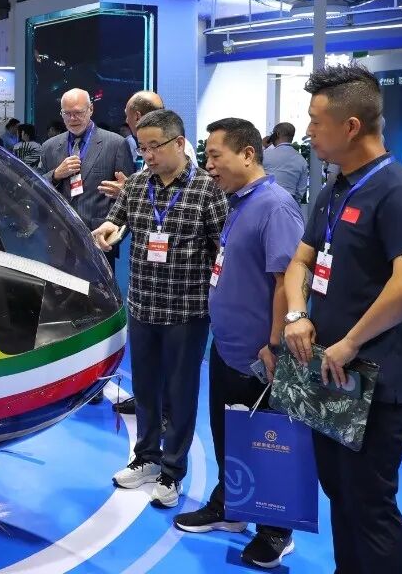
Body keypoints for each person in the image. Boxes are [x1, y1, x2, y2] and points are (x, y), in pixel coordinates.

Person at [283, 64, 402, 574]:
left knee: (369, 504)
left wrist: (352, 341)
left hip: (375, 381)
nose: (308, 130)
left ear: (351, 126)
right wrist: (296, 314)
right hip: (328, 372)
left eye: (316, 121)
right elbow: (301, 260)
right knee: (338, 490)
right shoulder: (335, 188)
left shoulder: (396, 190)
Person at [174, 117, 303, 568]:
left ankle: (276, 530)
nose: (208, 165)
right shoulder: (238, 202)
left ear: (247, 154)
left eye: (215, 155)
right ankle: (231, 505)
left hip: (259, 356)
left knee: (268, 442)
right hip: (227, 348)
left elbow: (287, 280)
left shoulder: (276, 207)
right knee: (230, 436)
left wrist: (274, 343)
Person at [92, 110, 227, 509]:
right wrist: (108, 231)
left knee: (180, 394)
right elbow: (116, 221)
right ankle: (147, 457)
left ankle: (172, 470)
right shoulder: (137, 184)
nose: (147, 155)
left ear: (179, 143)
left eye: (154, 147)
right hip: (142, 305)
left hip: (186, 310)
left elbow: (222, 247)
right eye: (142, 147)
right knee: (145, 389)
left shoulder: (206, 189)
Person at [39, 88, 135, 269]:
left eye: (78, 113)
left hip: (97, 236)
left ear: (91, 109)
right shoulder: (49, 147)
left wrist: (114, 233)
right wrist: (55, 174)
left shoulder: (115, 144)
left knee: (97, 287)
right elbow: (36, 186)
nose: (72, 118)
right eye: (67, 113)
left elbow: (127, 195)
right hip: (58, 237)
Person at [99, 90, 197, 200]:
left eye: (155, 146)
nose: (149, 156)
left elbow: (176, 196)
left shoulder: (178, 147)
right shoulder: (174, 144)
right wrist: (132, 188)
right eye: (143, 149)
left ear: (137, 116)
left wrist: (129, 192)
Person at [263, 122, 310, 204]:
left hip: (266, 200)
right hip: (290, 202)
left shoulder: (265, 155)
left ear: (277, 134)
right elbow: (300, 190)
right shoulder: (301, 160)